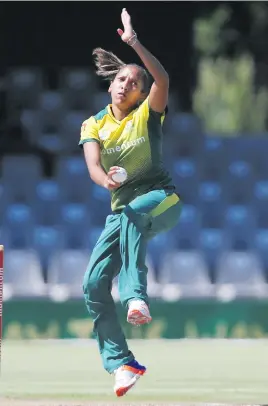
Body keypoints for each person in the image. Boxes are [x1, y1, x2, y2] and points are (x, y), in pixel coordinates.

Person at [79, 8, 182, 397]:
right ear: (110, 86)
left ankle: (135, 296)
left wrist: (134, 43)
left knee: (135, 214)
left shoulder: (148, 115)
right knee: (91, 284)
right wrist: (105, 178)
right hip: (122, 213)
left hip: (162, 201)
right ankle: (123, 363)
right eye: (120, 79)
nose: (126, 85)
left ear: (142, 94)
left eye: (134, 82)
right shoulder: (94, 124)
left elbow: (164, 78)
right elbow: (92, 163)